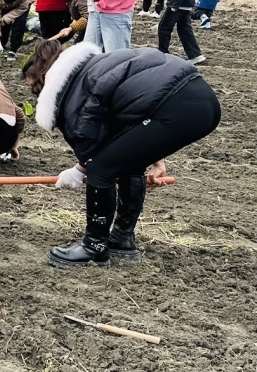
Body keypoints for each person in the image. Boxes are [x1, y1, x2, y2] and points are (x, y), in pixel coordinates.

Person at [23, 40, 220, 267]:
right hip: (202, 102)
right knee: (128, 164)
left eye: (35, 89)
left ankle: (94, 246)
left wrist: (79, 170)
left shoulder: (78, 88)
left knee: (101, 168)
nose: (36, 95)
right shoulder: (95, 66)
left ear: (45, 79)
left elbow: (93, 150)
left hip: (174, 107)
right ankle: (122, 239)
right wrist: (155, 159)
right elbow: (132, 120)